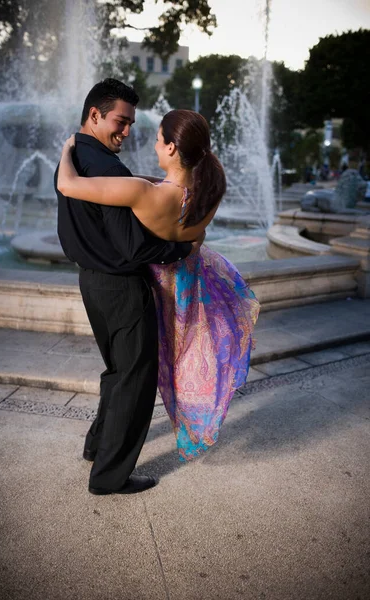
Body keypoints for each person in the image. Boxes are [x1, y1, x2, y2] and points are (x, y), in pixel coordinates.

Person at [58, 108, 260, 462]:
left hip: (153, 292)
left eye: (156, 139)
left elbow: (68, 185)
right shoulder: (209, 189)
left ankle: (109, 454)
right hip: (193, 290)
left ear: (170, 148)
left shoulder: (143, 194)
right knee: (174, 367)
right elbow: (177, 200)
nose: (153, 144)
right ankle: (106, 442)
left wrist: (66, 150)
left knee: (128, 374)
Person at [54, 79, 201, 496]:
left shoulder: (75, 155)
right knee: (135, 379)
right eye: (121, 121)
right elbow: (134, 246)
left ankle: (98, 446)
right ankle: (109, 476)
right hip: (120, 286)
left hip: (91, 282)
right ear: (95, 115)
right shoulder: (107, 167)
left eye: (132, 123)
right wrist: (181, 247)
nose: (127, 131)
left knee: (117, 372)